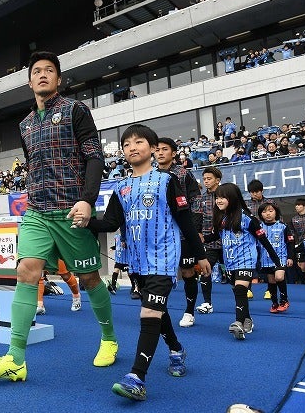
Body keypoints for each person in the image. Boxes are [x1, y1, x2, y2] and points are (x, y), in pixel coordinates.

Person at [0, 51, 117, 382]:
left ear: (59, 79)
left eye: (49, 71)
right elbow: (35, 164)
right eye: (36, 71)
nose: (42, 75)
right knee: (26, 272)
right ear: (29, 81)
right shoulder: (24, 124)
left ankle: (109, 338)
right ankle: (16, 358)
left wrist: (87, 199)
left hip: (71, 211)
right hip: (37, 211)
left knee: (90, 279)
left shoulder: (75, 110)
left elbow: (94, 158)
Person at [83, 124, 210, 401]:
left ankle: (137, 377)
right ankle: (176, 350)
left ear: (153, 149)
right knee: (158, 311)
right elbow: (111, 223)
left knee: (149, 314)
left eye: (138, 142)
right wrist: (85, 222)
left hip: (164, 258)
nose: (132, 147)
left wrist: (200, 255)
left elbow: (185, 220)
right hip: (137, 263)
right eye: (126, 144)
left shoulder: (167, 181)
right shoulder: (121, 186)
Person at [204, 183, 282, 340]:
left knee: (240, 290)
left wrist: (278, 265)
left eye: (222, 197)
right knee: (238, 292)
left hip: (246, 260)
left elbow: (265, 242)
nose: (218, 201)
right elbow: (215, 236)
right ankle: (247, 319)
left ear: (232, 198)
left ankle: (238, 322)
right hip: (229, 262)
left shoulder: (248, 219)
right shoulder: (221, 218)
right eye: (217, 197)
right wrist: (199, 239)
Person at [154, 138, 203, 328]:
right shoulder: (151, 175)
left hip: (182, 233)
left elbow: (196, 202)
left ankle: (189, 311)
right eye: (157, 150)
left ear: (173, 153)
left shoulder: (183, 174)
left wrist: (195, 229)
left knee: (188, 272)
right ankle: (157, 310)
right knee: (158, 273)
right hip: (159, 233)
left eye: (164, 149)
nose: (160, 153)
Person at [257, 203, 294, 313]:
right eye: (264, 212)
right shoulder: (259, 227)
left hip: (281, 257)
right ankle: (274, 303)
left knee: (279, 277)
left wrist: (290, 257)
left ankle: (284, 300)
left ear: (276, 212)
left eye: (270, 211)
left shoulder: (283, 226)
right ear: (260, 214)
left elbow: (290, 242)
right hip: (265, 259)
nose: (267, 214)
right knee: (271, 281)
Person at [197, 167, 224, 316]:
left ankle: (242, 302)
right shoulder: (201, 199)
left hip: (228, 242)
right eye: (204, 179)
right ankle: (207, 303)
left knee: (234, 276)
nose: (206, 181)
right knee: (206, 271)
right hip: (210, 242)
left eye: (209, 179)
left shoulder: (226, 195)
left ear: (217, 180)